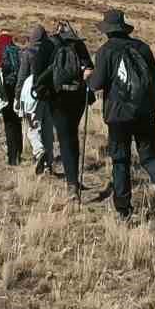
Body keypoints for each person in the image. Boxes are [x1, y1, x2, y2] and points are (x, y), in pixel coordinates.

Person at [85, 9, 155, 224]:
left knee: (120, 160)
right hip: (144, 112)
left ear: (107, 31)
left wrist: (88, 77)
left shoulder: (105, 51)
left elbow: (96, 84)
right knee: (149, 156)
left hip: (118, 116)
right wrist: (151, 104)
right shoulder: (142, 48)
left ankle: (124, 210)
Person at [34, 21, 94, 202]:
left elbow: (37, 72)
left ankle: (72, 185)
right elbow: (90, 69)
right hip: (77, 98)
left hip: (56, 97)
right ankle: (73, 180)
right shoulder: (79, 44)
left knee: (65, 137)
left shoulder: (48, 45)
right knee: (72, 135)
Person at [0, 32, 23, 164]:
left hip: (5, 91)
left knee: (9, 124)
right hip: (18, 90)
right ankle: (19, 152)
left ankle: (12, 157)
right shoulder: (18, 51)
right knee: (17, 123)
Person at [19, 26, 53, 174]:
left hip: (32, 94)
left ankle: (39, 152)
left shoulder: (28, 52)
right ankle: (48, 165)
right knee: (48, 131)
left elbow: (22, 76)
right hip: (49, 94)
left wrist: (17, 95)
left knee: (33, 128)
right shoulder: (51, 50)